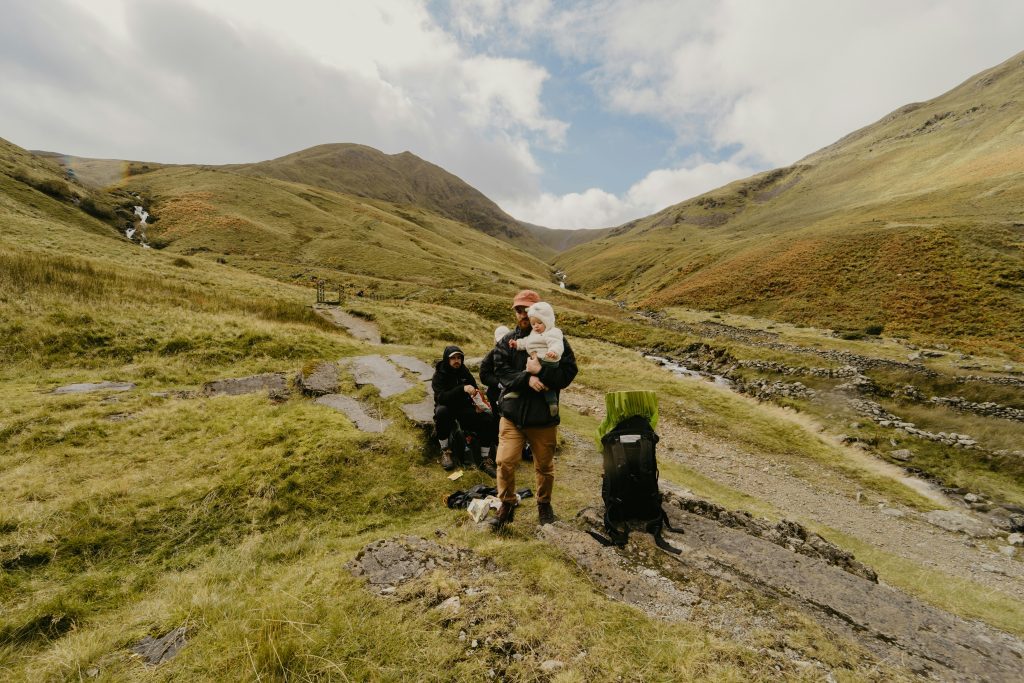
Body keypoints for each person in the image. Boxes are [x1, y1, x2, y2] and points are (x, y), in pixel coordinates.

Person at [489, 290, 578, 531]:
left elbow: (569, 373)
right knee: (504, 462)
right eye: (519, 310)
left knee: (545, 466)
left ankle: (544, 504)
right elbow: (499, 371)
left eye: (527, 309)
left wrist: (542, 372)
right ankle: (506, 504)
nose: (523, 314)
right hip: (512, 416)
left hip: (543, 418)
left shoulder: (555, 340)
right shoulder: (507, 341)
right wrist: (526, 378)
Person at [432, 345, 497, 476]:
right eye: (453, 358)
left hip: (464, 408)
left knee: (487, 418)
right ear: (447, 359)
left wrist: (478, 404)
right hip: (447, 408)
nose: (457, 361)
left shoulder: (464, 371)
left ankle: (485, 458)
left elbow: (475, 390)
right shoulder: (439, 374)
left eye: (459, 358)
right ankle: (445, 451)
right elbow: (441, 397)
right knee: (441, 412)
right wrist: (461, 389)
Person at [506, 301, 563, 417]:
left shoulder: (553, 332)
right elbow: (527, 341)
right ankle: (516, 391)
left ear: (547, 321)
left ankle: (552, 403)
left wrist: (553, 352)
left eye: (539, 323)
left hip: (548, 361)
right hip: (535, 360)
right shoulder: (534, 333)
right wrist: (517, 344)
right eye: (533, 323)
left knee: (547, 384)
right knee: (525, 375)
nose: (536, 326)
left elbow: (557, 344)